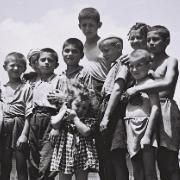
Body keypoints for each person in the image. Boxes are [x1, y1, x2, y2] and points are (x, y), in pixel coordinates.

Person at [126, 25, 180, 180]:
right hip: (146, 111)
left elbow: (168, 82)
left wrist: (139, 89)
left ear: (167, 41)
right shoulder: (145, 60)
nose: (151, 43)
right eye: (148, 39)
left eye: (155, 39)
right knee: (144, 159)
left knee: (168, 159)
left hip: (165, 109)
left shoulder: (171, 61)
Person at [50, 83, 99, 180]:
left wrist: (75, 118)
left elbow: (86, 132)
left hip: (82, 154)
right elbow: (54, 123)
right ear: (69, 103)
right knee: (64, 177)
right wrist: (64, 110)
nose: (80, 109)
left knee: (82, 177)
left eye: (84, 107)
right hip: (65, 152)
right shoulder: (65, 115)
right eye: (77, 105)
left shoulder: (87, 119)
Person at [99, 36, 131, 180]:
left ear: (118, 47)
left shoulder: (123, 64)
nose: (104, 55)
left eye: (106, 50)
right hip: (107, 108)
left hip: (115, 112)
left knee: (117, 155)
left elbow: (117, 90)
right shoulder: (113, 66)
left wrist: (106, 117)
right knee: (108, 157)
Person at [125, 49, 159, 180]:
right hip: (131, 127)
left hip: (145, 127)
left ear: (149, 65)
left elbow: (155, 107)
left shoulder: (149, 83)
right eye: (131, 66)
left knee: (149, 171)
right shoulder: (133, 84)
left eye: (139, 65)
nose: (134, 69)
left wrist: (148, 135)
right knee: (136, 169)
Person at [28, 48, 61, 180]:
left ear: (56, 65)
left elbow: (64, 105)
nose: (46, 62)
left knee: (47, 157)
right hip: (34, 118)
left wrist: (56, 127)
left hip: (51, 118)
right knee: (33, 157)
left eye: (50, 60)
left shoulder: (59, 79)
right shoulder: (33, 81)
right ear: (37, 63)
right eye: (43, 60)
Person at [0, 52, 32, 180]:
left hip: (19, 126)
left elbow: (29, 113)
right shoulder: (2, 88)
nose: (15, 68)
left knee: (21, 165)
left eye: (19, 66)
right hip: (4, 129)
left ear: (24, 69)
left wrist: (24, 135)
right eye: (12, 65)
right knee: (5, 165)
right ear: (5, 67)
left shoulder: (27, 87)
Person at [78, 7, 111, 94]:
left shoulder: (106, 45)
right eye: (84, 25)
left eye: (91, 25)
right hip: (83, 92)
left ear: (99, 25)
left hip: (103, 89)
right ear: (79, 26)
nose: (87, 29)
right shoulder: (78, 49)